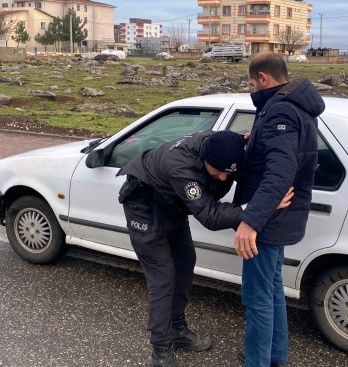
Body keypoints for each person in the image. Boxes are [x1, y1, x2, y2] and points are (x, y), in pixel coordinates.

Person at [117, 130, 292, 367]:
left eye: (227, 172)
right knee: (163, 278)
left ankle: (177, 328)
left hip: (172, 205)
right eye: (217, 171)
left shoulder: (219, 146)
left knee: (185, 263)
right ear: (204, 159)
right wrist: (259, 207)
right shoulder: (181, 166)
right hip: (145, 207)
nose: (221, 178)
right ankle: (160, 348)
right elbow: (209, 216)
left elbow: (234, 143)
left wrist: (252, 137)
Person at [233, 51, 325, 367]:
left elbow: (280, 172)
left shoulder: (279, 113)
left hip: (269, 223)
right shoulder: (295, 107)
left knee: (257, 298)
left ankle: (257, 362)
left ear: (263, 79)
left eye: (250, 83)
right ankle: (276, 356)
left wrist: (251, 221)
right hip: (282, 217)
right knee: (272, 291)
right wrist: (255, 138)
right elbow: (285, 153)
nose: (251, 90)